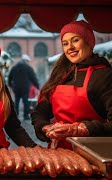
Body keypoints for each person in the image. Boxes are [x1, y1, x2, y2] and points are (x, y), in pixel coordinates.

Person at [31, 20, 112, 150]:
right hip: (59, 153)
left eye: (75, 40)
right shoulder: (61, 75)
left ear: (89, 42)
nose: (70, 47)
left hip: (93, 152)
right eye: (65, 43)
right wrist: (44, 127)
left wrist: (80, 129)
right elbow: (40, 112)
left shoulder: (104, 75)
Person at [8, 54, 39, 120]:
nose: (28, 63)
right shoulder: (28, 68)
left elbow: (10, 77)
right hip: (25, 88)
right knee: (26, 102)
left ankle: (16, 116)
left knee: (16, 102)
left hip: (16, 88)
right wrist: (37, 86)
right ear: (26, 61)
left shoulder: (14, 67)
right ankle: (26, 116)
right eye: (28, 61)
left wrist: (10, 85)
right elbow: (33, 78)